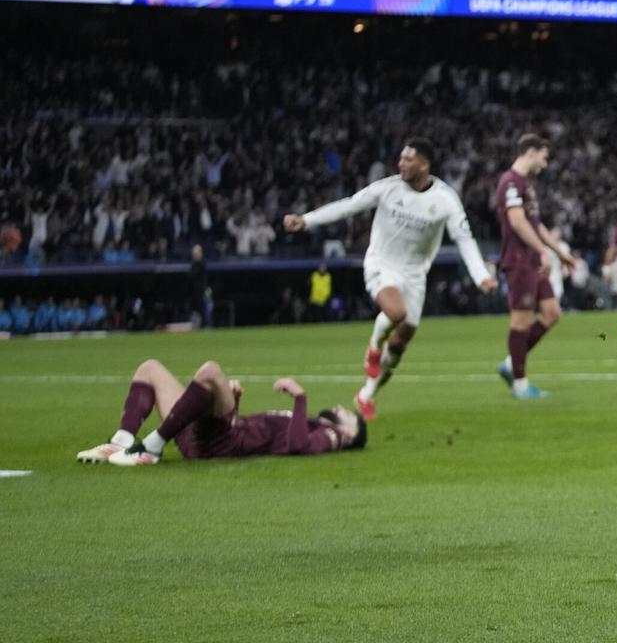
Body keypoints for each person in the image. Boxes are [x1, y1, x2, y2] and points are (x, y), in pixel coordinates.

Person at [284, 138, 497, 419]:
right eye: (401, 158)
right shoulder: (388, 188)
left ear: (424, 164)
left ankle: (366, 394)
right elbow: (349, 205)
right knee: (396, 312)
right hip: (381, 264)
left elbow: (464, 239)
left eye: (408, 159)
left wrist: (480, 275)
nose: (401, 164)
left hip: (415, 274)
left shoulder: (445, 199)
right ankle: (373, 348)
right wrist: (306, 220)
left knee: (399, 345)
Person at [76, 359, 365, 465]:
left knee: (211, 371)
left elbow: (300, 446)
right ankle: (122, 441)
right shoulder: (316, 424)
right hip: (204, 434)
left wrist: (300, 396)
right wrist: (234, 404)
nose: (341, 409)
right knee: (150, 369)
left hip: (223, 441)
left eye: (349, 414)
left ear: (351, 431)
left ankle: (152, 446)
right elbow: (263, 432)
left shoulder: (334, 435)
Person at [494, 134, 577, 399]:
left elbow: (535, 224)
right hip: (519, 260)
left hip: (533, 259)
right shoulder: (509, 182)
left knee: (552, 313)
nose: (545, 163)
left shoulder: (526, 185)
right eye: (544, 156)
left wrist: (557, 252)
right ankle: (520, 384)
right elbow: (518, 222)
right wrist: (543, 252)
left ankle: (510, 364)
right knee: (520, 320)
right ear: (530, 152)